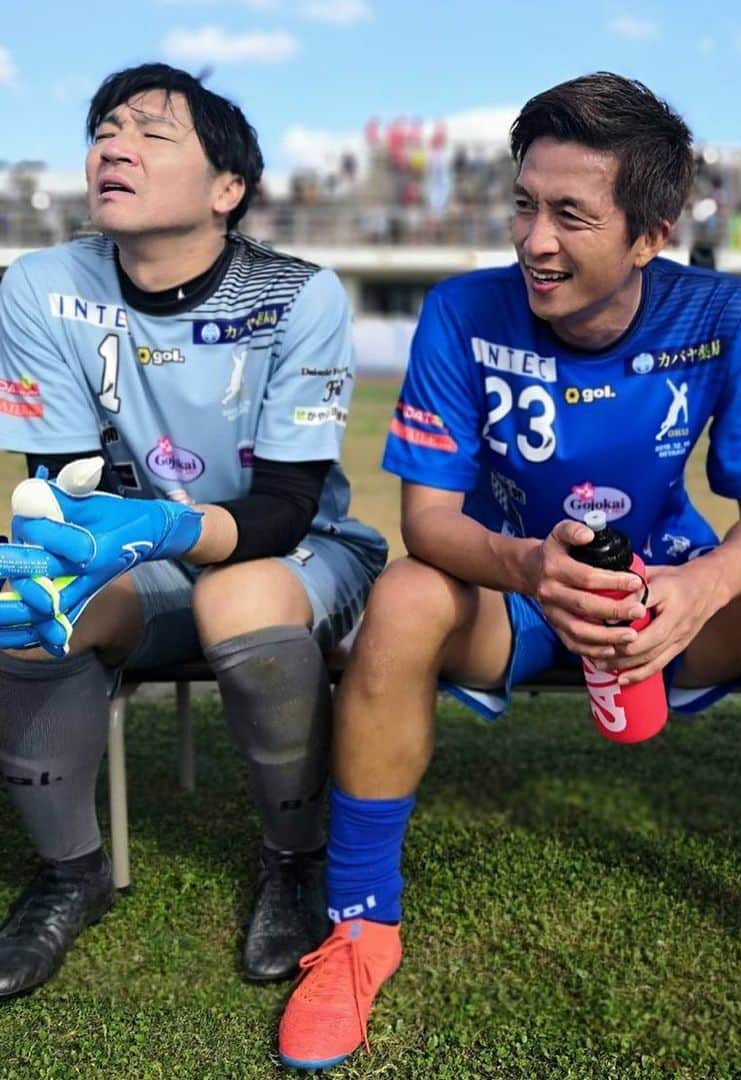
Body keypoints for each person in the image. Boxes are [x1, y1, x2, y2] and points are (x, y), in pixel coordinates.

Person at [276, 73, 741, 1070]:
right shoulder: (464, 313)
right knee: (409, 595)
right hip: (511, 593)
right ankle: (361, 927)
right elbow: (426, 521)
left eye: (569, 215)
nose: (533, 239)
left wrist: (701, 589)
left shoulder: (722, 313)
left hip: (662, 595)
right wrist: (522, 564)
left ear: (650, 234)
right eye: (523, 203)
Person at [0, 63, 387, 995]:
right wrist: (96, 543)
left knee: (239, 595)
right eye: (103, 130)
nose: (112, 147)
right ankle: (70, 873)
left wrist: (157, 529)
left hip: (295, 554)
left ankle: (294, 860)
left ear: (226, 190)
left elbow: (288, 508)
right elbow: (59, 495)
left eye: (150, 132)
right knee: (27, 593)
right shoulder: (40, 286)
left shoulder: (299, 294)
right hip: (135, 558)